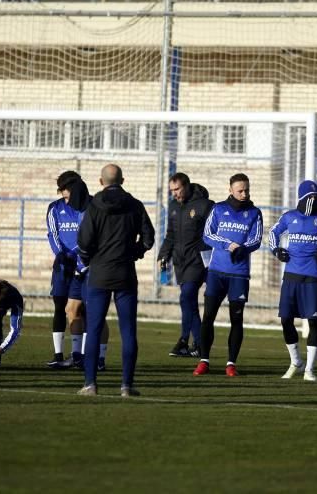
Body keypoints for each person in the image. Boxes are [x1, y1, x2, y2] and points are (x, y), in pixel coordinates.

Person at [76, 164, 155, 397]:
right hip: (125, 273)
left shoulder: (94, 206)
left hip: (99, 273)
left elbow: (84, 241)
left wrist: (90, 259)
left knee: (94, 329)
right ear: (123, 180)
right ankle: (126, 386)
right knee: (128, 330)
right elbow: (149, 239)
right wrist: (134, 252)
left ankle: (90, 384)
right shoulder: (135, 205)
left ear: (101, 182)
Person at [193, 173, 263, 377]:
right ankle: (204, 361)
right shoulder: (218, 209)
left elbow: (256, 239)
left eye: (247, 190)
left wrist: (242, 248)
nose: (244, 193)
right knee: (208, 317)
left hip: (239, 275)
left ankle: (231, 364)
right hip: (216, 272)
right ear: (230, 189)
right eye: (240, 190)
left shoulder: (254, 213)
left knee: (236, 319)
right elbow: (207, 235)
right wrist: (227, 244)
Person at [45, 171, 109, 370]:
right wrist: (62, 256)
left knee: (95, 313)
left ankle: (99, 359)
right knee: (70, 309)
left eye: (67, 195)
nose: (65, 200)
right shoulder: (55, 208)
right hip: (70, 268)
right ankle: (76, 356)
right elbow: (52, 234)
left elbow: (96, 238)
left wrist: (81, 257)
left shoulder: (93, 207)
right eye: (63, 196)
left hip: (91, 266)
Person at [269, 180, 317, 382]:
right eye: (308, 197)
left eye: (315, 197)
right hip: (291, 276)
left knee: (313, 321)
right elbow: (272, 233)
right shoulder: (289, 217)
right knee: (286, 319)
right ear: (301, 198)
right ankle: (296, 361)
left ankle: (309, 370)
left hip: (313, 276)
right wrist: (276, 250)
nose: (312, 201)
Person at [157, 172, 214, 358]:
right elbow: (170, 235)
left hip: (197, 261)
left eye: (178, 189)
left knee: (186, 296)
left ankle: (183, 339)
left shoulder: (204, 206)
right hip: (180, 262)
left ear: (187, 186)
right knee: (189, 302)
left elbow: (214, 232)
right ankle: (197, 344)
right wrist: (163, 255)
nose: (175, 193)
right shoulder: (173, 207)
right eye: (172, 190)